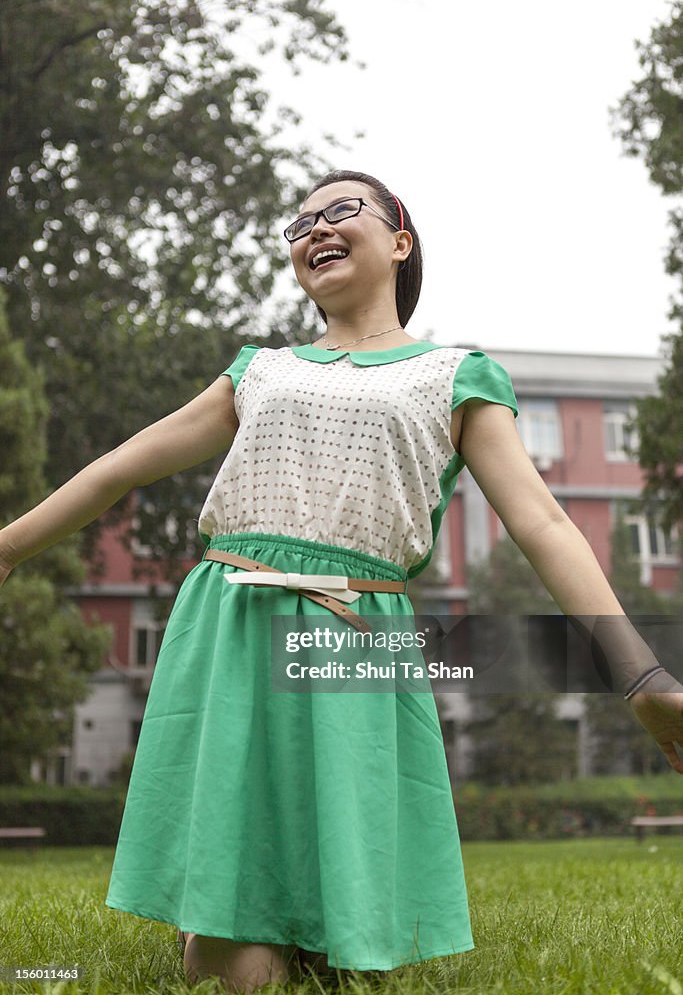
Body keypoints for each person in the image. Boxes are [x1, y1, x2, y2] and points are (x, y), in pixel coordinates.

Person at [1, 169, 682, 994]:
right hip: (232, 618)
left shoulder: (457, 375)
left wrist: (637, 671)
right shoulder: (262, 370)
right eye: (300, 221)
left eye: (339, 211)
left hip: (357, 633)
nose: (313, 227)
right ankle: (222, 917)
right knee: (236, 971)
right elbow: (119, 468)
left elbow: (542, 525)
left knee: (343, 957)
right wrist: (7, 548)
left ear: (399, 241)